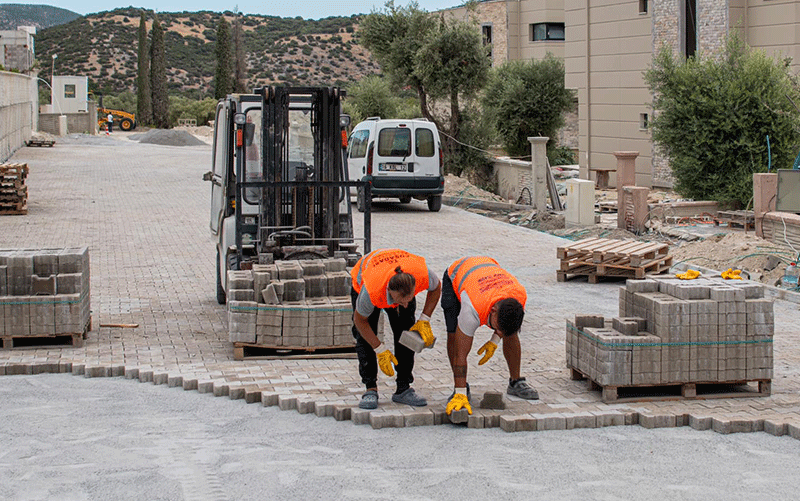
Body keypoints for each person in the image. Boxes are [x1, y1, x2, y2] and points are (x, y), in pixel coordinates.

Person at [442, 256, 539, 416]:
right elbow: (461, 354)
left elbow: (507, 327)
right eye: (497, 328)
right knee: (454, 335)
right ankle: (460, 389)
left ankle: (516, 382)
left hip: (487, 270)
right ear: (492, 312)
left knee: (511, 332)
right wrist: (460, 391)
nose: (499, 332)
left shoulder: (519, 295)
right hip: (457, 275)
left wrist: (495, 339)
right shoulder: (472, 309)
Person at [350, 248, 441, 409]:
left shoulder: (421, 274)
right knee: (365, 338)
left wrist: (424, 319)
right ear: (390, 292)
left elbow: (436, 288)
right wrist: (380, 349)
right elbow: (360, 321)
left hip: (396, 278)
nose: (406, 304)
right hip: (366, 281)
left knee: (407, 334)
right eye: (401, 301)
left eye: (409, 299)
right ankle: (370, 388)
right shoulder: (372, 290)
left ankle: (403, 388)